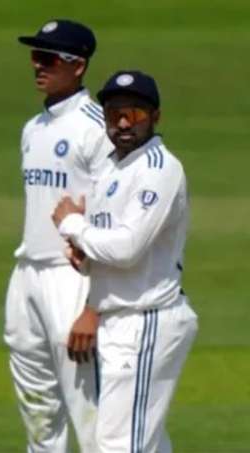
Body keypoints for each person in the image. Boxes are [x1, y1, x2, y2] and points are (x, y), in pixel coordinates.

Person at [53, 70, 198, 453]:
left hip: (145, 318)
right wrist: (85, 255)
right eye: (114, 113)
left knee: (120, 444)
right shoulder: (111, 168)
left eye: (133, 114)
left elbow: (127, 248)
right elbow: (112, 249)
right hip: (118, 318)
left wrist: (72, 225)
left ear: (155, 116)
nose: (122, 123)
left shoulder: (159, 170)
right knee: (143, 440)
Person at [4, 19, 110, 452]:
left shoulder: (97, 126)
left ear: (78, 65)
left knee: (91, 410)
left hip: (73, 276)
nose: (38, 65)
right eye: (35, 56)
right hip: (28, 272)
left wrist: (94, 305)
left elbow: (110, 215)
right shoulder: (33, 127)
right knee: (38, 411)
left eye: (48, 58)